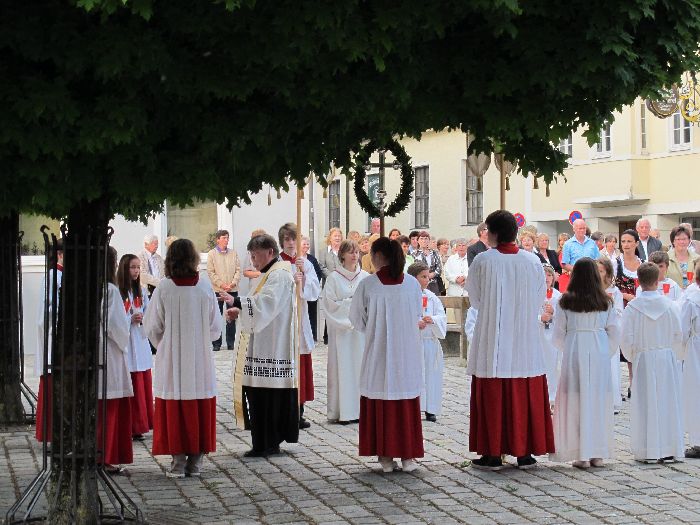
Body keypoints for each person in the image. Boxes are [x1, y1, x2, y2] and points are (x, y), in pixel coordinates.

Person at [466, 210, 554, 471]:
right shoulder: (532, 261)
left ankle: (492, 453)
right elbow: (540, 296)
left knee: (493, 388)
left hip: (493, 334)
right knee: (524, 387)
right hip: (524, 333)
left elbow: (476, 299)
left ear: (492, 233)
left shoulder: (483, 260)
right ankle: (525, 453)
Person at [144, 239, 221, 477]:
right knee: (199, 403)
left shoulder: (164, 288)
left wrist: (165, 344)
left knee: (175, 405)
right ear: (194, 259)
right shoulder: (204, 286)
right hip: (200, 357)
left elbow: (152, 326)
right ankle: (195, 463)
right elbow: (215, 327)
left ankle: (178, 463)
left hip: (173, 357)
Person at [349, 237, 424, 473]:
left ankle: (385, 455)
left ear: (378, 256)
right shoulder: (412, 284)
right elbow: (417, 313)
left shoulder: (368, 285)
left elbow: (356, 319)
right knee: (404, 399)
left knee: (381, 396)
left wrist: (375, 329)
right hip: (406, 351)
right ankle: (408, 456)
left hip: (379, 350)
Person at [224, 234, 301, 457]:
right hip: (265, 344)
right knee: (260, 396)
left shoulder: (279, 275)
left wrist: (237, 301)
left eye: (255, 255)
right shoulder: (269, 273)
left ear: (269, 252)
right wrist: (240, 310)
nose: (253, 260)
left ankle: (267, 442)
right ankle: (266, 441)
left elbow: (267, 304)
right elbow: (259, 306)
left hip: (272, 348)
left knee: (266, 397)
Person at [550, 257, 620, 469]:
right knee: (597, 401)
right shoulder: (605, 302)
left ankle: (581, 454)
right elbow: (614, 332)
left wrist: (571, 348)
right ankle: (597, 453)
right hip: (598, 352)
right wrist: (604, 352)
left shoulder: (565, 302)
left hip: (575, 352)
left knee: (576, 402)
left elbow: (558, 335)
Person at [620, 262, 684, 463]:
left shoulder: (633, 308)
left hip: (644, 358)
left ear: (639, 281)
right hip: (666, 358)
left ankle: (648, 449)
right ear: (658, 281)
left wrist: (633, 356)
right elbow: (678, 335)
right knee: (667, 401)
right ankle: (668, 447)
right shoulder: (671, 306)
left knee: (646, 403)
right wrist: (673, 354)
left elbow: (626, 339)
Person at [278, 223, 321, 429]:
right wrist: (291, 282)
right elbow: (273, 289)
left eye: (293, 238)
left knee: (301, 365)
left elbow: (314, 291)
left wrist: (303, 279)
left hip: (300, 317)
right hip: (284, 319)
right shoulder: (277, 263)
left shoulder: (305, 262)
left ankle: (299, 410)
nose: (291, 243)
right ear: (282, 242)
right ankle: (284, 411)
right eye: (287, 239)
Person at [321, 240, 368, 424]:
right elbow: (329, 304)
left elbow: (370, 302)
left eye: (356, 252)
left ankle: (361, 410)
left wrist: (357, 309)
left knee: (360, 368)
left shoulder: (365, 277)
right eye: (350, 252)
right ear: (342, 255)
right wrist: (351, 304)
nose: (354, 255)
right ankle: (343, 411)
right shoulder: (333, 278)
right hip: (341, 332)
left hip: (360, 332)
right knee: (343, 369)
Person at [98, 247, 134, 473]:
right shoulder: (109, 290)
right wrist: (124, 340)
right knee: (109, 407)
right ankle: (107, 457)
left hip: (88, 351)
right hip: (107, 351)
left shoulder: (83, 287)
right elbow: (116, 326)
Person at [117, 254, 154, 441]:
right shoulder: (117, 292)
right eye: (133, 267)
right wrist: (129, 319)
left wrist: (143, 318)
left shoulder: (141, 291)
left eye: (138, 267)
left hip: (139, 340)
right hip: (127, 343)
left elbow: (149, 313)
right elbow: (114, 319)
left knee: (141, 384)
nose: (136, 271)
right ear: (125, 268)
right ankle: (129, 426)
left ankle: (140, 425)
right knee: (131, 384)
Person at [407, 262, 447, 422]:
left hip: (430, 342)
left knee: (431, 376)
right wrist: (415, 322)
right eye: (423, 277)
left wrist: (433, 320)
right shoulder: (406, 296)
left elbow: (441, 316)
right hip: (414, 343)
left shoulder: (432, 297)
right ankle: (414, 407)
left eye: (427, 276)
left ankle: (430, 408)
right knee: (415, 376)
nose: (427, 279)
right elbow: (402, 317)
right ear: (413, 278)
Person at [35, 239, 63, 443]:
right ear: (60, 254)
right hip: (55, 338)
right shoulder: (53, 276)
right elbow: (47, 312)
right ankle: (52, 434)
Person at [614, 229, 641, 398]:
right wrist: (625, 295)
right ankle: (620, 384)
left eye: (629, 241)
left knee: (636, 344)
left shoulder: (643, 263)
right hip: (621, 308)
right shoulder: (616, 263)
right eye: (623, 241)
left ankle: (634, 381)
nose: (626, 245)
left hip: (639, 308)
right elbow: (610, 285)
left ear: (636, 243)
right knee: (623, 344)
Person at [206, 229, 241, 351]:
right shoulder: (212, 254)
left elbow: (238, 270)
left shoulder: (233, 253)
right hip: (218, 290)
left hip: (232, 289)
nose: (226, 240)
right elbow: (211, 272)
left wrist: (233, 283)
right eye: (224, 238)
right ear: (218, 240)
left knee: (231, 316)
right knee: (217, 316)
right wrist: (221, 284)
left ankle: (231, 343)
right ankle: (216, 343)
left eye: (227, 237)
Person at [598, 257, 624, 413]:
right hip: (596, 333)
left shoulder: (615, 292)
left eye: (601, 271)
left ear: (607, 273)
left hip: (609, 333)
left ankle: (612, 399)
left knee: (612, 367)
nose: (598, 274)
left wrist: (610, 307)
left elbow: (620, 313)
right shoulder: (593, 291)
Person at [681, 266, 700, 459]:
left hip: (696, 349)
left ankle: (698, 441)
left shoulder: (691, 300)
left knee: (696, 392)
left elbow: (683, 328)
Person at [539, 265, 562, 406]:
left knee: (553, 366)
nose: (546, 278)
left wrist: (554, 312)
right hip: (538, 335)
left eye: (549, 275)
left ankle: (552, 396)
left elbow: (564, 317)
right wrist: (540, 318)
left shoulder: (558, 296)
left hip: (552, 335)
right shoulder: (533, 294)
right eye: (544, 275)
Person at [301, 236, 324, 342]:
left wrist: (312, 283)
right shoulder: (296, 259)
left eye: (307, 244)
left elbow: (318, 273)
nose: (306, 246)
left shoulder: (312, 259)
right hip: (301, 290)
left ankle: (313, 336)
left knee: (312, 314)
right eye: (304, 244)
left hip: (311, 289)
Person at [667, 225, 699, 289]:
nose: (682, 242)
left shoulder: (697, 258)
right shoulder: (665, 258)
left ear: (689, 240)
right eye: (678, 239)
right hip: (672, 293)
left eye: (684, 239)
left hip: (692, 293)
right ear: (673, 241)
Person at [414, 231, 443, 296]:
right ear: (418, 241)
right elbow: (413, 269)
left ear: (429, 240)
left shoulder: (434, 253)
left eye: (426, 238)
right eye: (421, 238)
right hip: (420, 283)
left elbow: (439, 268)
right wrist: (425, 275)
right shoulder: (414, 254)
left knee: (434, 300)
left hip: (433, 283)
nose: (424, 241)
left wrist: (433, 274)